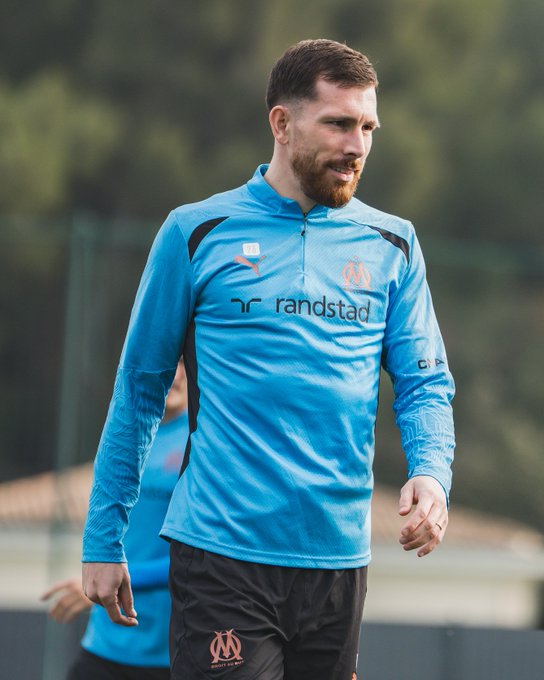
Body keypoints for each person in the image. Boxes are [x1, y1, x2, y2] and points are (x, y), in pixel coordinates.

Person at [82, 39, 455, 680]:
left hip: (338, 561)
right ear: (282, 124)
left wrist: (431, 471)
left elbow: (425, 382)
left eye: (368, 128)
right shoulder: (195, 232)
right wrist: (102, 536)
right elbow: (139, 391)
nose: (357, 145)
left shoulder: (394, 243)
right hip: (221, 553)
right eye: (338, 123)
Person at [43, 361, 188, 679]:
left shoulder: (201, 441)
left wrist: (116, 579)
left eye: (182, 363)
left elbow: (198, 558)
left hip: (170, 651)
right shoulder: (122, 435)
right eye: (166, 360)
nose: (175, 373)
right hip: (105, 643)